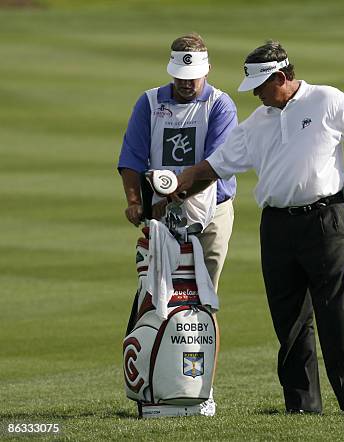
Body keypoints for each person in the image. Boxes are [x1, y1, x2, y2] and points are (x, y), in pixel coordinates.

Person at [175, 40, 344, 414]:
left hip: (325, 220)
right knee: (288, 319)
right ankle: (302, 405)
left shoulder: (326, 100)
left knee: (335, 313)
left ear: (281, 77)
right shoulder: (256, 123)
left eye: (261, 86)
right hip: (276, 226)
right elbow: (213, 167)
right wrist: (176, 186)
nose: (256, 94)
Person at [117, 33, 238, 417]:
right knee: (152, 298)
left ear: (208, 70)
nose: (187, 83)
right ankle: (147, 388)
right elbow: (132, 158)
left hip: (212, 213)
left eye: (195, 76)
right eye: (181, 76)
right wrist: (136, 202)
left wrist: (177, 193)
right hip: (159, 218)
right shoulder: (150, 102)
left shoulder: (220, 104)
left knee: (204, 304)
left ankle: (202, 388)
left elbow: (216, 164)